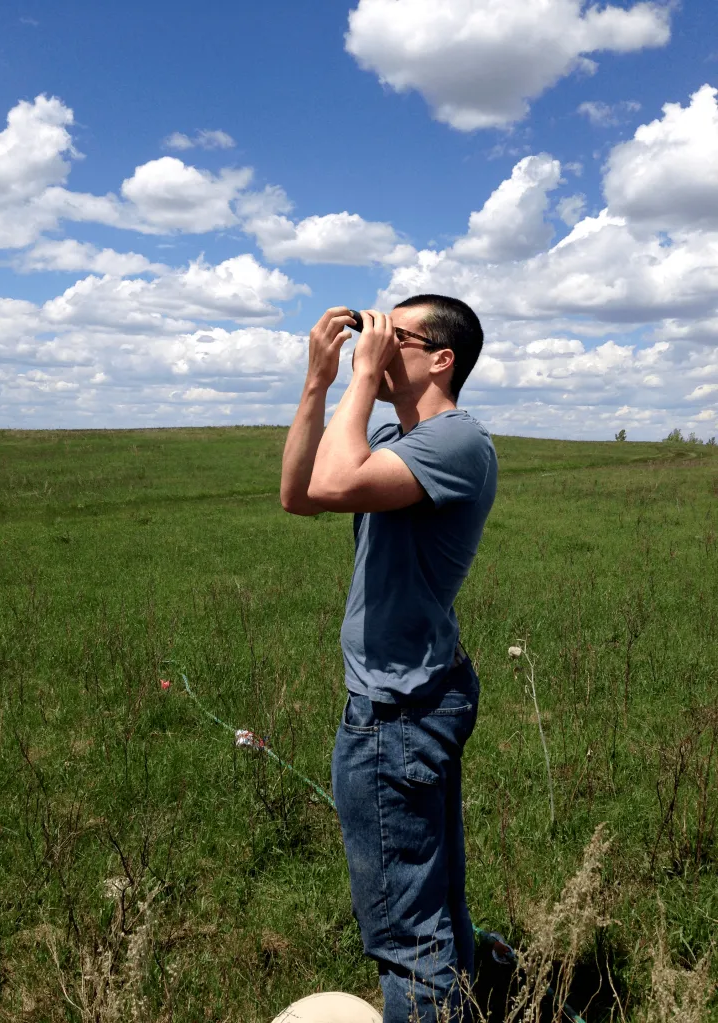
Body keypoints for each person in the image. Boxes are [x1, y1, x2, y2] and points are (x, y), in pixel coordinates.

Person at [280, 296, 497, 1022]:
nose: (373, 338)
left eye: (394, 333)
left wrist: (360, 377)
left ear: (441, 360)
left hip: (398, 712)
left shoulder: (455, 441)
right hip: (412, 696)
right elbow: (298, 495)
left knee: (408, 932)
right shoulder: (389, 436)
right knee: (435, 902)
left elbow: (335, 484)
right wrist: (319, 381)